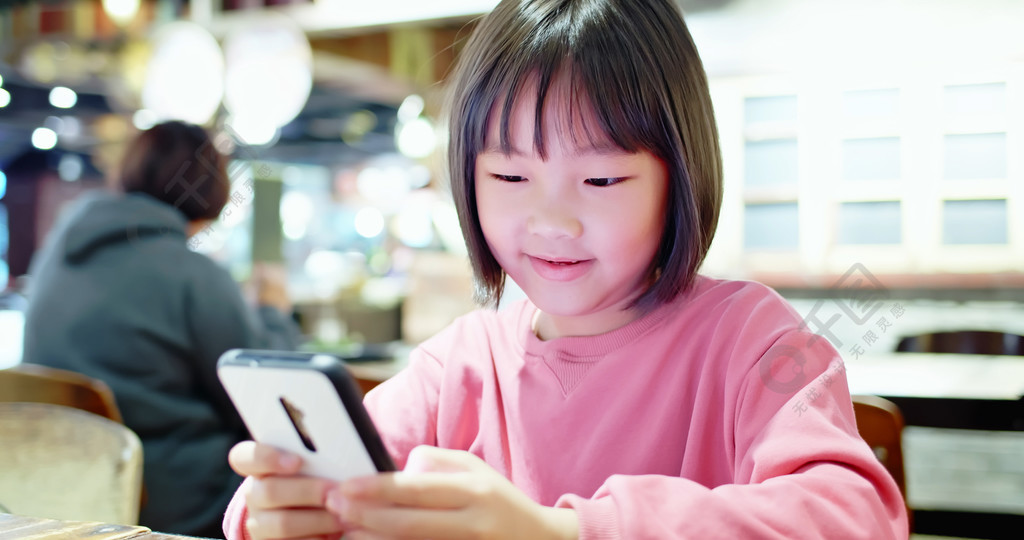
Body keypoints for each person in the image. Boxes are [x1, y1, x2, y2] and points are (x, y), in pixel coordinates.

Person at [223, 0, 909, 538]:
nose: (551, 222)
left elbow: (857, 519)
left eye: (603, 180)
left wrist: (566, 530)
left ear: (680, 176)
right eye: (511, 174)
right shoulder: (462, 364)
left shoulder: (750, 338)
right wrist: (273, 510)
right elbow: (282, 500)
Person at [22, 121, 301, 538]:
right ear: (212, 191)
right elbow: (262, 395)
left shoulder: (57, 255)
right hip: (168, 500)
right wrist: (275, 312)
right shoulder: (193, 275)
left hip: (48, 483)